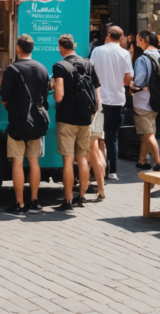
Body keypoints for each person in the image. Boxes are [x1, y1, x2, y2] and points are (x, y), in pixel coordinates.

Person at [0, 34, 49, 215]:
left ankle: (20, 205)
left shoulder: (12, 69)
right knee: (34, 163)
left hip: (18, 123)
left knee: (18, 163)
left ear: (18, 48)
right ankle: (35, 202)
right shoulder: (43, 69)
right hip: (36, 122)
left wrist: (8, 105)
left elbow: (4, 96)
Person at [52, 34, 100, 210]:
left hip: (67, 120)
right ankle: (81, 197)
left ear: (61, 47)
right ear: (74, 45)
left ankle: (67, 201)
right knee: (82, 159)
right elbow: (97, 93)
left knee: (67, 161)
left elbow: (59, 95)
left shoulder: (60, 66)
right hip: (86, 119)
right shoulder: (89, 63)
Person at [89, 25, 132, 181]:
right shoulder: (125, 53)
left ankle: (98, 169)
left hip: (99, 100)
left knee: (98, 137)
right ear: (121, 38)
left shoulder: (97, 50)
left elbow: (90, 74)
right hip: (117, 99)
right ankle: (112, 170)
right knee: (112, 137)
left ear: (107, 35)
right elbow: (127, 80)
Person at [129, 31, 160, 173]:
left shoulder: (142, 59)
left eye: (138, 40)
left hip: (143, 102)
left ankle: (158, 163)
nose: (137, 43)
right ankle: (142, 161)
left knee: (149, 135)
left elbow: (139, 81)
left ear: (144, 40)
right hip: (157, 100)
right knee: (146, 133)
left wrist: (132, 84)